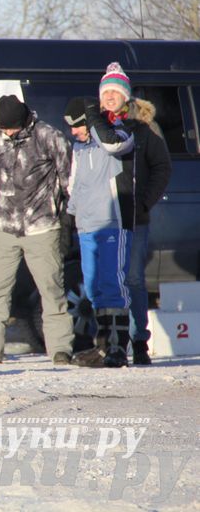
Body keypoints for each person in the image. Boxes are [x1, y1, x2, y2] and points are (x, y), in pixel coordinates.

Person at [0, 95, 73, 364]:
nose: (8, 133)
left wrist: (54, 211)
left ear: (24, 119)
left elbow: (67, 177)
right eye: (4, 128)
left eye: (12, 128)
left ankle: (60, 348)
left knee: (51, 289)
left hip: (42, 227)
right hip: (3, 227)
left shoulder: (49, 137)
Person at [97, 63, 171, 365]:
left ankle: (140, 341)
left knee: (133, 279)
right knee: (106, 281)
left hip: (133, 218)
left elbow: (163, 167)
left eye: (115, 91)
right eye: (106, 92)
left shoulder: (142, 129)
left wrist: (143, 202)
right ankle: (110, 343)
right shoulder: (95, 127)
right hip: (103, 218)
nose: (110, 97)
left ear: (125, 95)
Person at [64, 97, 135, 368]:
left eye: (76, 125)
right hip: (87, 226)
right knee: (93, 289)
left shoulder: (119, 135)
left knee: (112, 285)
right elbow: (74, 186)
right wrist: (70, 219)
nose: (72, 131)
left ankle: (118, 347)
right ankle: (103, 346)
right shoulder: (78, 149)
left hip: (112, 223)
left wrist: (94, 115)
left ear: (90, 122)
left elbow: (111, 143)